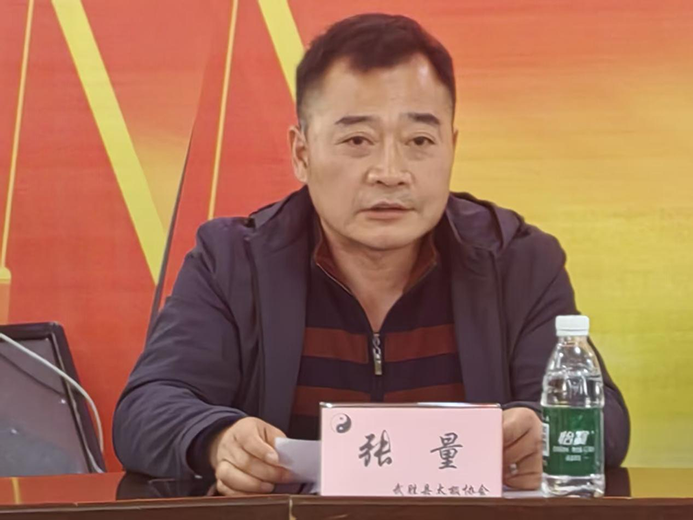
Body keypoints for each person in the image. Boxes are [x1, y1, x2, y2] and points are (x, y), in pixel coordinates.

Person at [113, 13, 629, 495]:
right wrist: (217, 439)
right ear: (302, 153)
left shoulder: (517, 261)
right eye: (358, 140)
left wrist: (539, 431)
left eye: (419, 141)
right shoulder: (233, 261)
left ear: (451, 147)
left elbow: (605, 419)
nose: (390, 172)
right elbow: (145, 409)